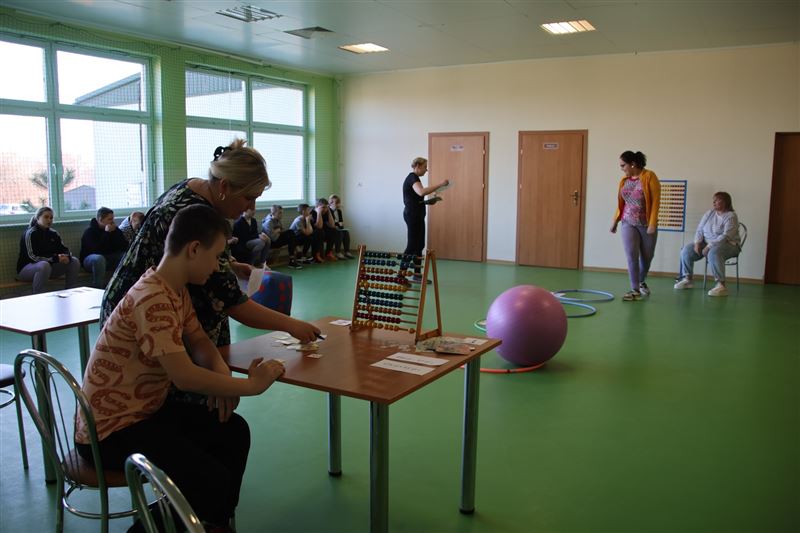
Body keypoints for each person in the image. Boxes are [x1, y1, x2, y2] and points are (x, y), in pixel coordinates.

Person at [75, 205, 285, 531]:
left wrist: (221, 376)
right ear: (194, 249)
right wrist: (252, 385)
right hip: (108, 433)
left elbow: (199, 340)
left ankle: (212, 523)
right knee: (208, 478)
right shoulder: (152, 298)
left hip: (143, 413)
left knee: (233, 432)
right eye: (216, 257)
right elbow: (184, 376)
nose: (217, 267)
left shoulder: (173, 288)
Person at [100, 138, 320, 351]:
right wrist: (292, 325)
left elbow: (185, 255)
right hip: (142, 321)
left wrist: (230, 264)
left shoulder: (194, 188)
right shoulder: (196, 213)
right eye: (248, 198)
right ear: (224, 186)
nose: (251, 207)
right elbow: (233, 302)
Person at [610, 150, 661, 301]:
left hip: (646, 224)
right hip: (628, 222)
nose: (621, 168)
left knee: (647, 257)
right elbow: (621, 203)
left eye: (623, 165)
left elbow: (656, 201)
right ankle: (635, 289)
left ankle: (641, 280)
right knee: (632, 256)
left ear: (632, 164)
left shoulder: (649, 176)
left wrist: (652, 223)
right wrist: (615, 221)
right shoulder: (624, 181)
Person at [674, 192, 741, 297]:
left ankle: (721, 285)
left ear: (725, 202)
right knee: (686, 250)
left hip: (729, 244)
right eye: (714, 200)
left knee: (714, 253)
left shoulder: (731, 216)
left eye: (717, 200)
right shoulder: (709, 213)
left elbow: (725, 236)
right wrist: (697, 242)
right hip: (706, 243)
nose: (714, 202)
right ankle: (687, 279)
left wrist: (709, 246)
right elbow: (700, 229)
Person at [402, 157, 449, 283]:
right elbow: (421, 192)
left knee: (419, 245)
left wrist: (429, 201)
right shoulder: (412, 177)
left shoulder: (415, 178)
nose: (426, 170)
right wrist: (440, 184)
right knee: (412, 246)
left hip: (417, 215)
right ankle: (400, 275)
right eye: (424, 167)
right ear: (417, 166)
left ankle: (417, 274)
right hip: (412, 216)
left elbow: (417, 198)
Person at [16, 206, 80, 294]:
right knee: (44, 265)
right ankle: (38, 296)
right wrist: (55, 258)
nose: (49, 220)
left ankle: (70, 292)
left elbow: (64, 249)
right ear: (38, 218)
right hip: (27, 269)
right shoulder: (30, 233)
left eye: (51, 218)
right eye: (46, 217)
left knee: (74, 261)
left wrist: (67, 257)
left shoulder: (54, 233)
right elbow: (32, 257)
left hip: (49, 268)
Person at [79, 207, 129, 288]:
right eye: (109, 219)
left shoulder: (114, 229)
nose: (112, 221)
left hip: (108, 258)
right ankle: (98, 287)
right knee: (99, 258)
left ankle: (122, 286)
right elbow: (96, 250)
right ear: (100, 219)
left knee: (125, 256)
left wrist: (116, 233)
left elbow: (124, 246)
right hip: (91, 260)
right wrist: (107, 233)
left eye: (112, 219)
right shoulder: (90, 232)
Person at [262, 205, 302, 269]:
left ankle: (292, 258)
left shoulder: (277, 220)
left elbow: (281, 229)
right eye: (279, 213)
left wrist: (277, 230)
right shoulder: (268, 222)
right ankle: (292, 258)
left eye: (282, 213)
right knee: (291, 234)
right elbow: (273, 238)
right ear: (273, 213)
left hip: (277, 238)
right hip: (272, 243)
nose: (281, 215)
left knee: (291, 233)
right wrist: (278, 230)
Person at [329, 194, 353, 259]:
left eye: (338, 202)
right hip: (331, 229)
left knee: (346, 232)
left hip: (338, 228)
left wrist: (340, 226)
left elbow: (341, 223)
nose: (338, 204)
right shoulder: (329, 211)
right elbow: (332, 223)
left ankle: (347, 251)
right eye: (336, 203)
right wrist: (337, 225)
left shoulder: (339, 211)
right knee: (339, 232)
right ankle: (338, 252)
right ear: (331, 203)